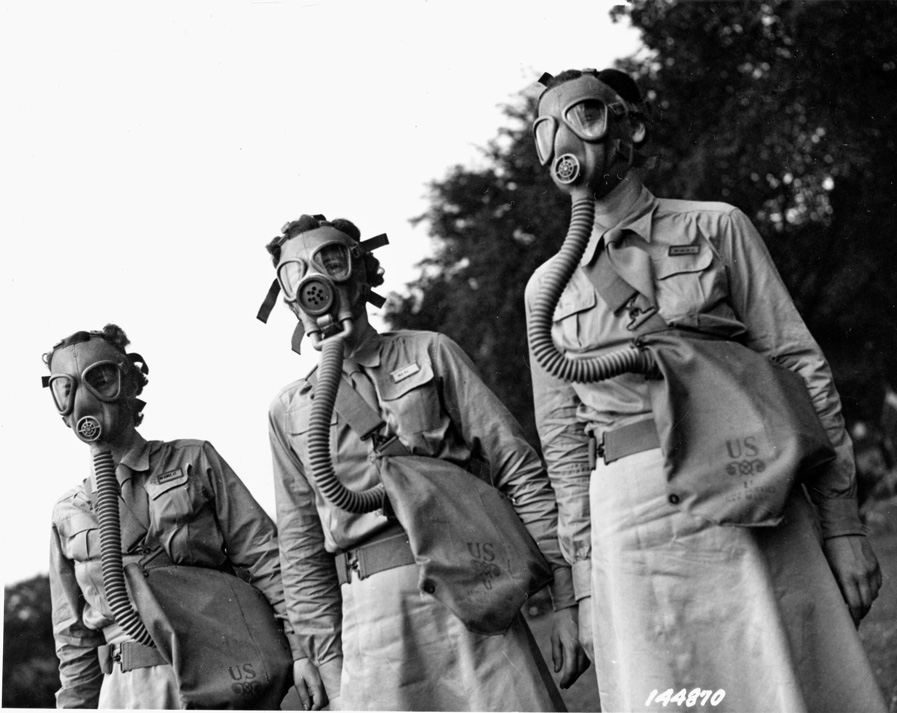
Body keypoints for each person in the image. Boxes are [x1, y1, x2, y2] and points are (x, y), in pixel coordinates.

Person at [525, 68, 887, 713]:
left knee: (783, 679)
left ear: (630, 127)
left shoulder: (716, 227)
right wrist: (580, 585)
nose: (562, 143)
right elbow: (561, 443)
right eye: (545, 130)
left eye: (582, 117)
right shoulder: (546, 288)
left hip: (745, 484)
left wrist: (842, 525)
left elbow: (798, 365)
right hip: (629, 520)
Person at [262, 214, 589, 711]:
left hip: (475, 592)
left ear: (363, 271)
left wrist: (565, 598)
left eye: (332, 260)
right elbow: (301, 546)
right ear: (288, 298)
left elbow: (515, 467)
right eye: (296, 273)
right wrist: (329, 663)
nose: (317, 281)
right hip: (374, 622)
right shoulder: (290, 411)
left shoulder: (430, 351)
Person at [45, 324, 326, 709]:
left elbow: (264, 556)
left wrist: (301, 651)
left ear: (131, 383)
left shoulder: (193, 460)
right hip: (127, 693)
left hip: (221, 674)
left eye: (101, 379)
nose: (83, 400)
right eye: (66, 389)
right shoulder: (69, 512)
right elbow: (73, 636)